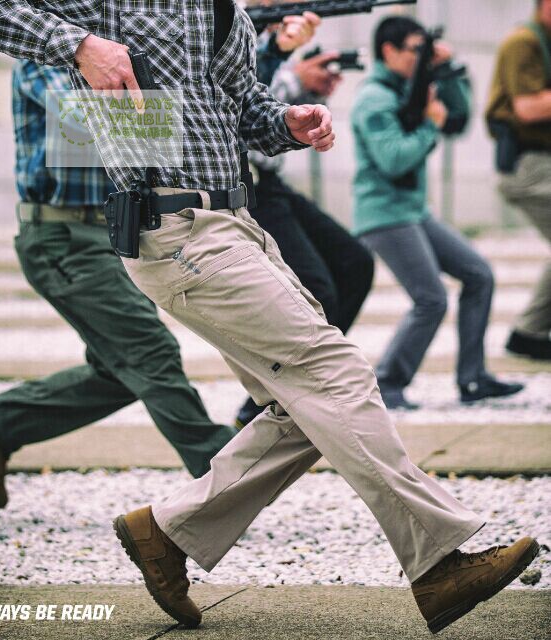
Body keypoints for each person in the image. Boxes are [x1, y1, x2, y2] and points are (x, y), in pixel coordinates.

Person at [0, 0, 539, 635]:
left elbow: (245, 112)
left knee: (307, 406)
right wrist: (79, 46)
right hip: (176, 231)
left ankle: (167, 532)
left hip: (236, 222)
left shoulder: (223, 15)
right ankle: (439, 563)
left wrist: (288, 121)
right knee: (335, 373)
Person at [0, 59, 237, 509]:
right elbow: (82, 116)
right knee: (150, 352)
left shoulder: (117, 51)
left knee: (123, 370)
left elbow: (159, 122)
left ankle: (0, 422)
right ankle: (227, 473)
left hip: (111, 232)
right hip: (63, 235)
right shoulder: (43, 57)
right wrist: (182, 103)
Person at [351, 16, 524, 410]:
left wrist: (447, 72)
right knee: (431, 299)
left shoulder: (408, 87)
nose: (421, 57)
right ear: (388, 51)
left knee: (479, 275)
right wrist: (430, 125)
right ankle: (387, 382)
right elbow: (394, 159)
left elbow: (457, 120)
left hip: (412, 210)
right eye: (415, 50)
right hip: (384, 215)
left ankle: (473, 379)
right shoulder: (373, 99)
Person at [236, 15, 375, 428]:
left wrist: (305, 90)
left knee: (355, 264)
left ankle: (298, 391)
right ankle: (275, 403)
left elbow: (265, 109)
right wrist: (292, 72)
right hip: (243, 184)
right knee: (316, 290)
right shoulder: (226, 21)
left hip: (269, 179)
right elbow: (232, 100)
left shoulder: (267, 35)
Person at [487, 0, 551, 361]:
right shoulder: (523, 42)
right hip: (528, 163)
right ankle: (529, 331)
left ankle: (529, 332)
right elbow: (528, 107)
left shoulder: (542, 41)